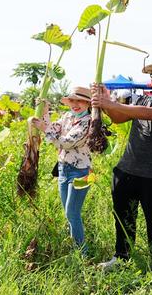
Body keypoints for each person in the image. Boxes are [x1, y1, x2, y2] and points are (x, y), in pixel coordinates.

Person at [94, 56, 152, 269]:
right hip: (125, 170)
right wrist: (105, 100)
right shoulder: (141, 100)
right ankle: (121, 258)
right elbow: (118, 118)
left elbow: (149, 114)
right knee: (124, 218)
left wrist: (110, 103)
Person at [30, 87, 93, 251]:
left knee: (72, 212)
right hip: (63, 169)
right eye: (72, 100)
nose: (75, 104)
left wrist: (45, 129)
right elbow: (54, 128)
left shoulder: (88, 122)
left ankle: (82, 253)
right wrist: (45, 113)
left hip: (81, 171)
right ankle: (76, 246)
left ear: (87, 103)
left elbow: (65, 142)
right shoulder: (68, 116)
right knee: (68, 212)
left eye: (79, 100)